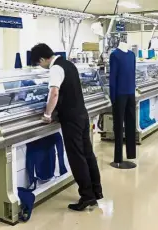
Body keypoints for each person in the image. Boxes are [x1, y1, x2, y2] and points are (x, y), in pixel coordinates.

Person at [30, 43, 103, 211]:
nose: (40, 67)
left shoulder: (55, 68)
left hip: (71, 119)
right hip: (82, 114)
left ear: (42, 59)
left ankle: (87, 197)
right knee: (88, 154)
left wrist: (47, 115)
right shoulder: (69, 63)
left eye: (38, 64)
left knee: (77, 157)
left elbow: (54, 93)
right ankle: (96, 191)